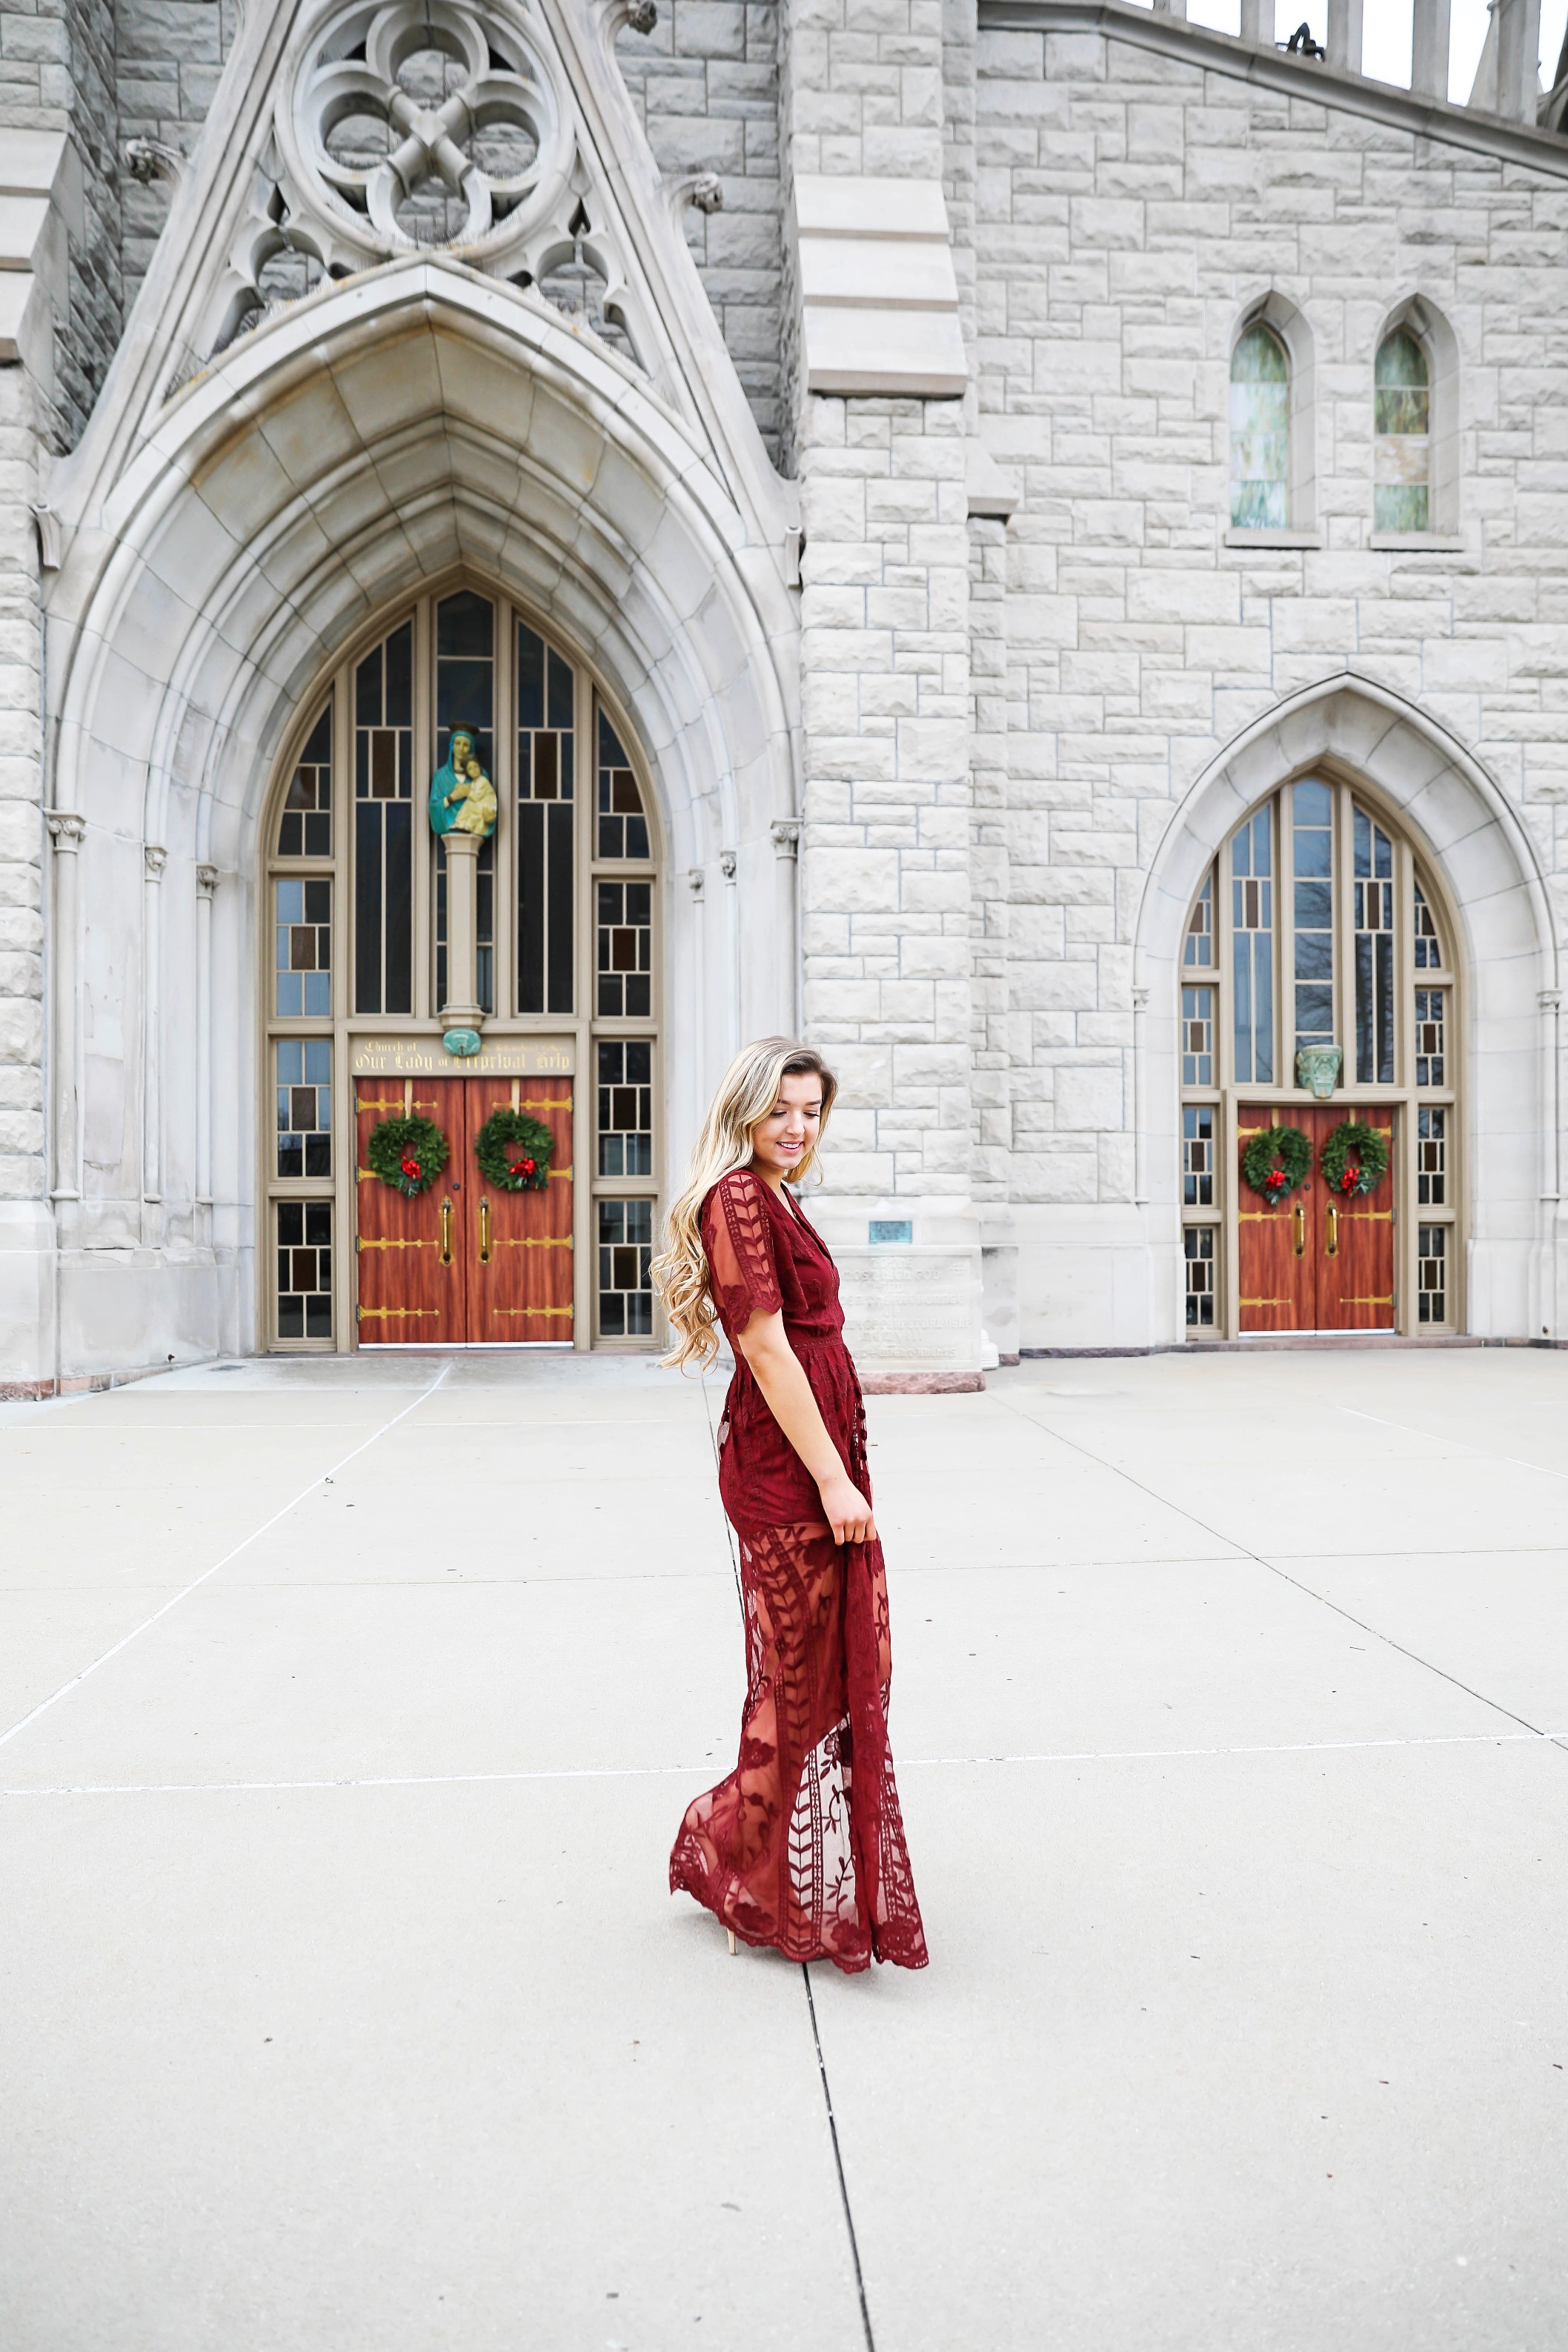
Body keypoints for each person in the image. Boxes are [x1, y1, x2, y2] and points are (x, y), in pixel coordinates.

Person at [653, 1037, 928, 1973]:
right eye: (782, 1110)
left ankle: (747, 1854)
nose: (798, 1127)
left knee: (847, 1662)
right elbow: (766, 1349)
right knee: (804, 1682)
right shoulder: (735, 1196)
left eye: (811, 1111)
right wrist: (834, 1480)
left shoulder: (776, 1193)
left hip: (817, 1457)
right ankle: (727, 1848)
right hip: (786, 1471)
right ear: (745, 1110)